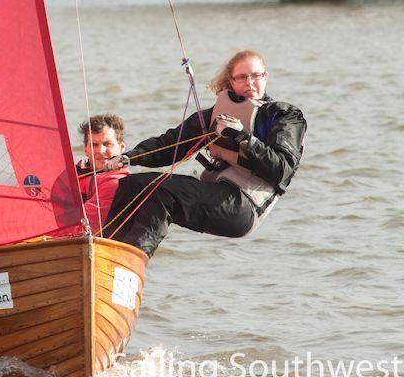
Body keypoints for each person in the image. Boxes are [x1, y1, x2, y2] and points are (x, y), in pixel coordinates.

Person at [100, 50, 306, 258]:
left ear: (265, 77)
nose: (249, 82)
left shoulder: (284, 117)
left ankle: (130, 260)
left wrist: (244, 137)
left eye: (256, 76)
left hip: (244, 206)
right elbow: (170, 144)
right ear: (231, 81)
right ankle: (104, 254)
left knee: (161, 193)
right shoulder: (215, 115)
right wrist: (130, 157)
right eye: (242, 77)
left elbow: (282, 170)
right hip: (217, 190)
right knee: (132, 185)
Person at [73, 114, 131, 235]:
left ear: (121, 147)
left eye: (107, 144)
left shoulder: (119, 182)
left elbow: (88, 223)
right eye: (94, 145)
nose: (100, 151)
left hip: (96, 244)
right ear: (85, 149)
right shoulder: (71, 175)